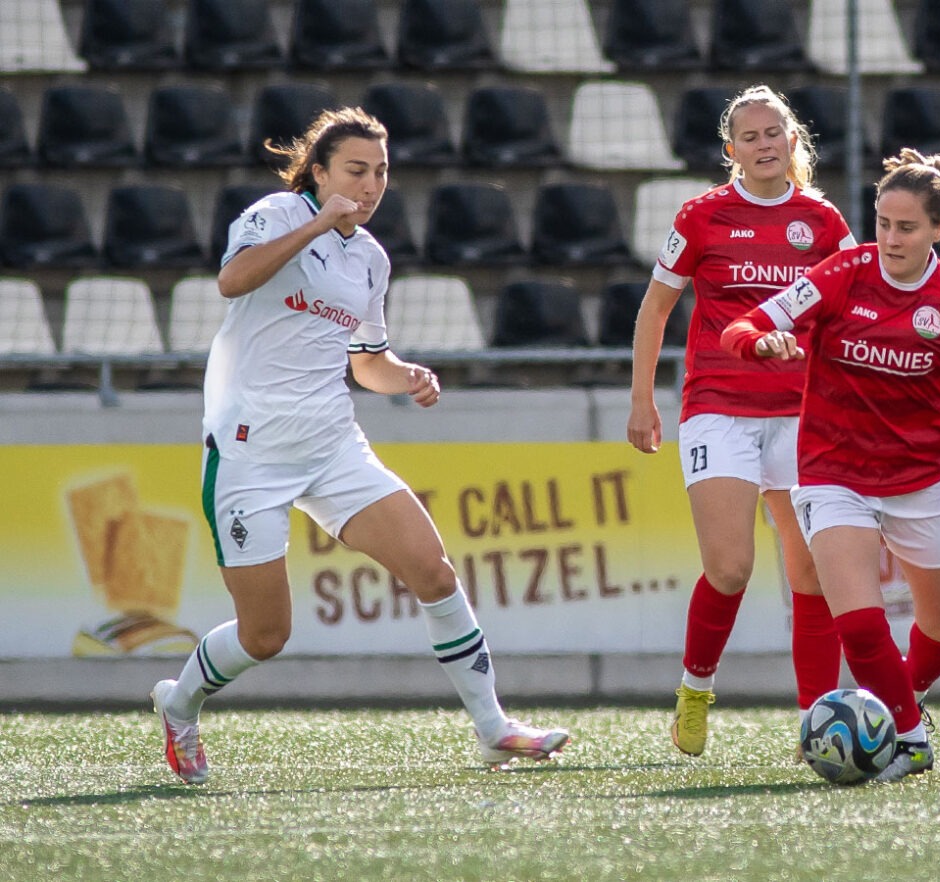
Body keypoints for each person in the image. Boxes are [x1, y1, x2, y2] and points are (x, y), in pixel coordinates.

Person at [150, 107, 570, 785]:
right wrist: (317, 221)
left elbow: (365, 361)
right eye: (355, 170)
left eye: (380, 172)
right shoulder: (277, 215)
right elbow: (231, 281)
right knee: (265, 636)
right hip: (249, 451)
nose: (371, 185)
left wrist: (406, 377)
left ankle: (494, 729)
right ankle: (180, 703)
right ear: (318, 172)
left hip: (332, 445)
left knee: (434, 572)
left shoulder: (370, 259)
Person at [720, 148, 940, 782]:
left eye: (906, 227)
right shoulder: (840, 273)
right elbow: (741, 326)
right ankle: (909, 739)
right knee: (860, 620)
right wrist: (760, 341)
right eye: (882, 223)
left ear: (938, 229)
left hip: (922, 479)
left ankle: (897, 703)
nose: (891, 238)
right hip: (830, 472)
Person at [626, 85, 856, 757]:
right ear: (732, 150)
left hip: (802, 413)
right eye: (750, 137)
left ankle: (816, 722)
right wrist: (643, 400)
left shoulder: (822, 221)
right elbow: (654, 311)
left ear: (793, 143)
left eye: (774, 133)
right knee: (730, 567)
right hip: (719, 409)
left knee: (810, 569)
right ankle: (695, 691)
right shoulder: (702, 216)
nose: (763, 145)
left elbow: (849, 310)